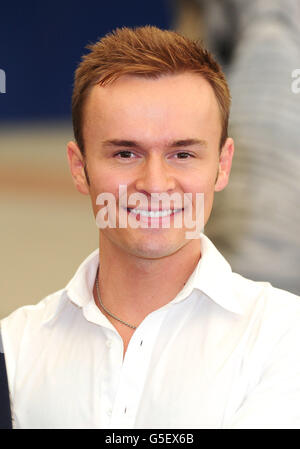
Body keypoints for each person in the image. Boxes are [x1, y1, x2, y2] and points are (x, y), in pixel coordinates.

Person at [1, 26, 300, 429]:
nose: (155, 184)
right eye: (125, 153)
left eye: (182, 153)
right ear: (79, 167)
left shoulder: (284, 337)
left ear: (223, 164)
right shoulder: (15, 348)